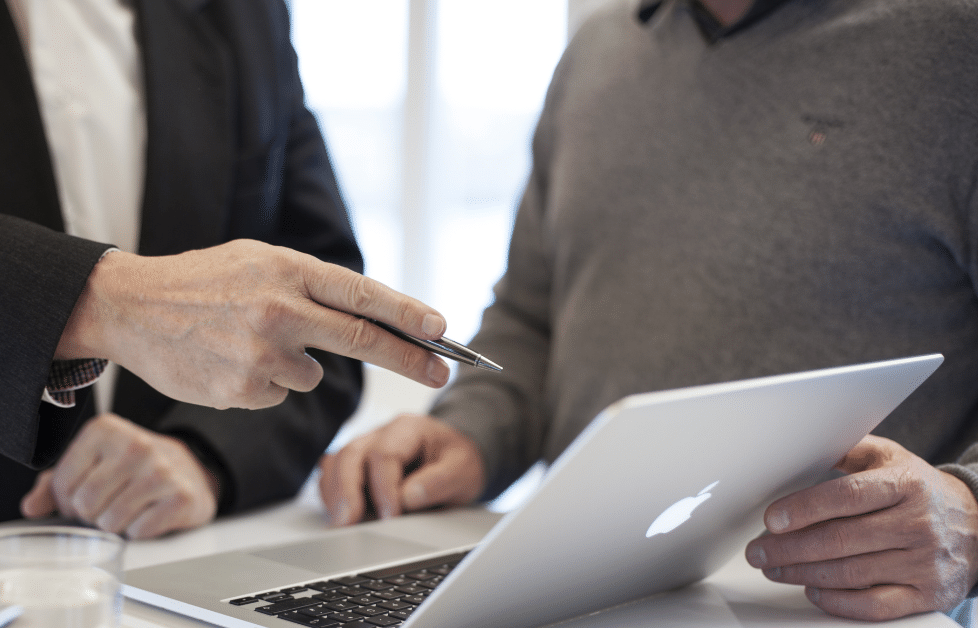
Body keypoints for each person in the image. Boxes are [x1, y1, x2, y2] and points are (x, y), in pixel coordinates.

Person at [318, 0, 978, 621]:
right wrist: (470, 433)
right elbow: (531, 317)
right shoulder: (598, 52)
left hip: (832, 610)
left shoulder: (956, 45)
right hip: (578, 600)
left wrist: (970, 509)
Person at [0, 0, 453, 597]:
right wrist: (109, 304)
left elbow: (321, 315)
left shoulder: (241, 12)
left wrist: (205, 456)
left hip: (159, 582)